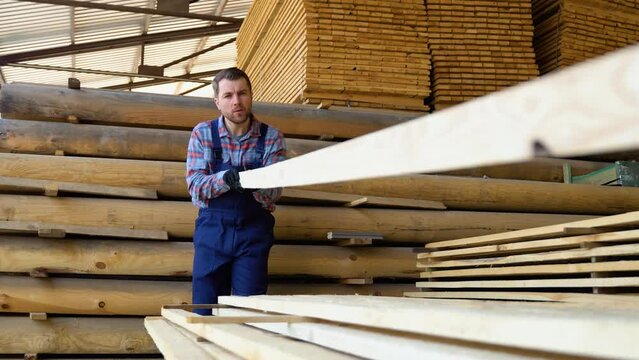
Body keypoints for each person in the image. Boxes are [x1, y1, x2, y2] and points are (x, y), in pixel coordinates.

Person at [186, 67, 286, 315]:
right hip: (213, 231)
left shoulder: (272, 137)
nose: (236, 101)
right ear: (217, 102)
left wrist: (253, 184)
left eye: (242, 93)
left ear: (251, 95)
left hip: (253, 232)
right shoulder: (203, 134)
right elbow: (195, 186)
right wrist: (224, 180)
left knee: (249, 310)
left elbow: (275, 191)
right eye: (228, 96)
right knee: (204, 308)